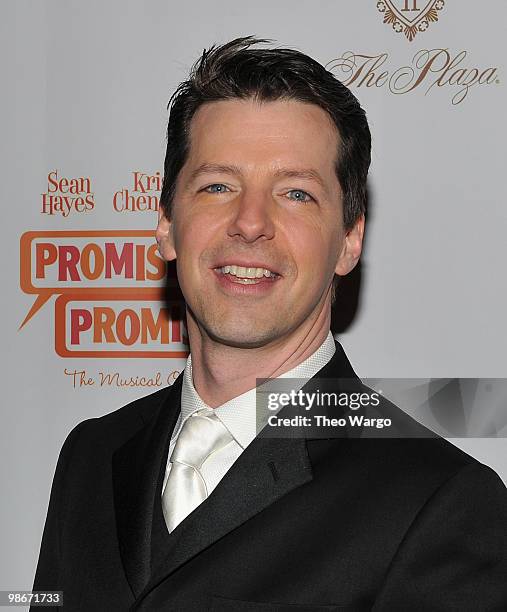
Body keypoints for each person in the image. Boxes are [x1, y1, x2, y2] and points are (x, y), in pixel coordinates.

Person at [32, 37, 507, 611]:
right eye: (217, 186)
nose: (250, 222)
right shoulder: (89, 455)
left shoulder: (439, 502)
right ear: (165, 224)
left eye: (296, 194)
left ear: (349, 240)